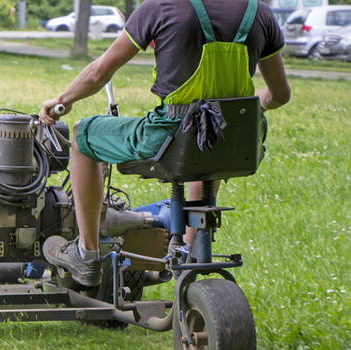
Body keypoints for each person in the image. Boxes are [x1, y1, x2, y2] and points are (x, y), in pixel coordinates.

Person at [39, 0, 291, 287]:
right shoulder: (259, 13)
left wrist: (61, 100)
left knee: (83, 134)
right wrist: (235, 113)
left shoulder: (160, 7)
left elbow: (99, 74)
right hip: (236, 140)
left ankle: (87, 253)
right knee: (208, 140)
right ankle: (188, 256)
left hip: (169, 135)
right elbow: (280, 94)